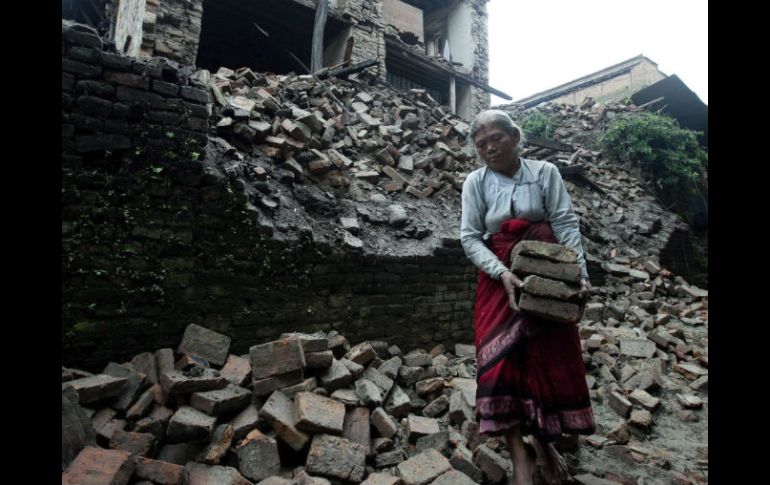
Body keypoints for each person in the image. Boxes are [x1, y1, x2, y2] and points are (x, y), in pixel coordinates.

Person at [460, 110, 595, 485]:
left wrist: (578, 275)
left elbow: (565, 223)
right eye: (481, 144)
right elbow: (470, 237)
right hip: (498, 277)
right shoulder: (476, 182)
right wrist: (502, 273)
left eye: (496, 139)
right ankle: (520, 453)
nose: (489, 149)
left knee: (546, 360)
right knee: (499, 363)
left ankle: (544, 441)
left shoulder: (543, 173)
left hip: (547, 273)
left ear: (515, 137)